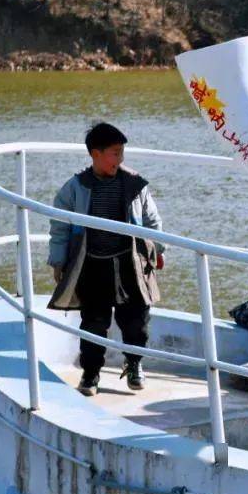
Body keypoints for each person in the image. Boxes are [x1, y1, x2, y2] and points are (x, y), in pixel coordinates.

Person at [47, 123, 165, 397]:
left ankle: (134, 364)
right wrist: (58, 262)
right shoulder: (75, 188)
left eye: (122, 152)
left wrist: (157, 251)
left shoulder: (135, 184)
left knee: (137, 320)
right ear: (95, 154)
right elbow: (60, 227)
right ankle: (90, 374)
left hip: (130, 263)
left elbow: (151, 220)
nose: (120, 159)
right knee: (94, 322)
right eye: (114, 153)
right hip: (93, 264)